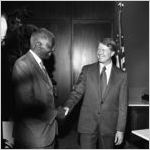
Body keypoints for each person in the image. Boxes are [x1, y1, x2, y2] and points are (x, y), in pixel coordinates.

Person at [62, 38, 128, 149]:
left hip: (109, 126)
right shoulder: (87, 70)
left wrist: (120, 129)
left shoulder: (121, 76)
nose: (99, 52)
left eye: (103, 50)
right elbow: (76, 93)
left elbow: (123, 106)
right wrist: (67, 106)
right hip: (87, 124)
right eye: (98, 49)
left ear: (112, 53)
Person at [12, 28, 64, 148]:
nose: (53, 49)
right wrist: (55, 114)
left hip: (45, 133)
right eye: (50, 46)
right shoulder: (22, 64)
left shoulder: (40, 64)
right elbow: (26, 103)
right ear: (38, 45)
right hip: (33, 137)